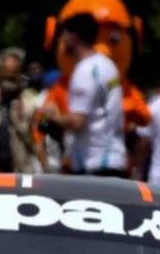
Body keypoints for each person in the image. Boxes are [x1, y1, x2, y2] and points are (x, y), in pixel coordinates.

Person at [40, 13, 126, 176]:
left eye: (63, 35)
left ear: (73, 37)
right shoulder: (108, 65)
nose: (61, 41)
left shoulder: (85, 71)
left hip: (95, 162)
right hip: (113, 158)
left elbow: (77, 122)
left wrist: (52, 116)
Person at [0, 48, 40, 173]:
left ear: (20, 74)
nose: (9, 80)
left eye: (13, 76)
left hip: (19, 172)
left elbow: (36, 141)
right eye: (6, 76)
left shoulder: (30, 102)